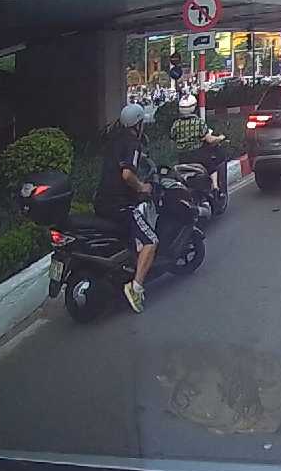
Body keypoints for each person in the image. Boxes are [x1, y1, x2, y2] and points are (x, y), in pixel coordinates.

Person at [94, 104, 158, 314]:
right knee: (151, 241)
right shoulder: (133, 143)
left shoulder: (115, 140)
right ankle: (136, 287)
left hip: (102, 201)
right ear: (138, 124)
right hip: (119, 204)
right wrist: (142, 187)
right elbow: (127, 175)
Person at [171, 94, 226, 189]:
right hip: (198, 156)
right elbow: (209, 139)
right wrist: (220, 138)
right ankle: (215, 187)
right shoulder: (199, 122)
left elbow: (172, 139)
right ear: (194, 108)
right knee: (212, 168)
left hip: (182, 157)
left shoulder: (176, 124)